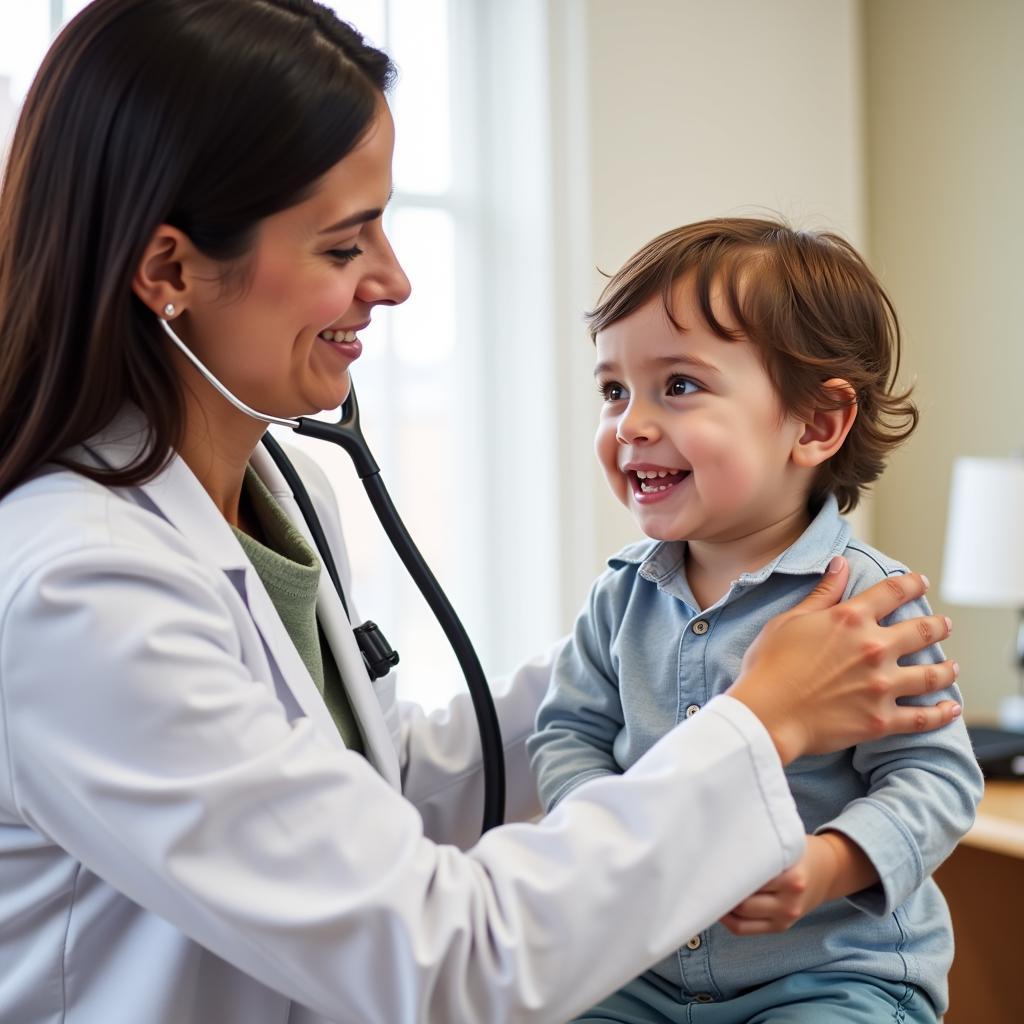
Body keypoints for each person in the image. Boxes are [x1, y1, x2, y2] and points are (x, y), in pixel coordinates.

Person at [0, 4, 963, 1023]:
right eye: (342, 244)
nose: (396, 279)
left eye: (383, 222)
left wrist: (686, 653)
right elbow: (442, 957)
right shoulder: (79, 589)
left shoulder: (284, 495)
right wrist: (758, 713)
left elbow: (362, 784)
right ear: (170, 271)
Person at [528, 218, 983, 1023]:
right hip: (641, 974)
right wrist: (610, 841)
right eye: (612, 390)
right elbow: (568, 734)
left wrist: (828, 864)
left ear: (815, 424)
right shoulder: (619, 596)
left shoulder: (868, 607)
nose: (630, 422)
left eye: (678, 385)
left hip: (830, 977)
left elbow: (934, 778)